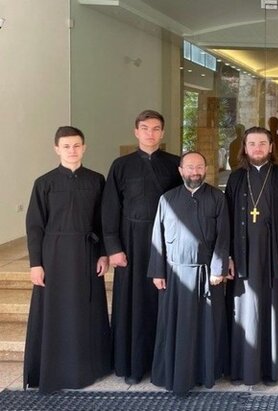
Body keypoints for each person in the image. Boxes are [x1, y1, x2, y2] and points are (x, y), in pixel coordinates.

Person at [24, 126, 112, 393]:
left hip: (87, 254)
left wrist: (104, 253)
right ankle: (53, 369)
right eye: (66, 146)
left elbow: (103, 220)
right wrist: (36, 263)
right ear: (56, 149)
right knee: (55, 311)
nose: (72, 151)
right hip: (54, 256)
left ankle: (89, 368)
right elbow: (35, 225)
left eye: (77, 146)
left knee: (87, 310)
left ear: (84, 147)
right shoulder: (44, 183)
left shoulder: (97, 180)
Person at [102, 110, 182, 384]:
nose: (151, 133)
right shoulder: (120, 166)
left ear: (163, 132)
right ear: (136, 131)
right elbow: (110, 208)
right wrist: (114, 247)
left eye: (156, 128)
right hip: (131, 241)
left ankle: (165, 363)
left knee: (165, 299)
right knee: (132, 303)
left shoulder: (176, 164)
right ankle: (133, 365)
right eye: (145, 128)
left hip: (168, 241)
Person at [148, 151, 229, 395]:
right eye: (190, 167)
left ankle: (205, 374)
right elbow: (157, 239)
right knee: (175, 327)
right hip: (175, 275)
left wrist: (218, 268)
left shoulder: (218, 198)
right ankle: (174, 374)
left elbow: (224, 236)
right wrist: (157, 271)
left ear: (206, 170)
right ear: (181, 170)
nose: (195, 171)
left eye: (199, 167)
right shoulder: (167, 199)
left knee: (206, 327)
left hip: (207, 275)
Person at [224, 127, 278, 384]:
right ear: (244, 147)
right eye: (252, 143)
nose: (257, 148)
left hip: (273, 253)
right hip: (242, 253)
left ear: (271, 147)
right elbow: (226, 221)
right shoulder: (235, 179)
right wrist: (228, 257)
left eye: (262, 143)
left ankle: (272, 369)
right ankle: (243, 368)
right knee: (243, 309)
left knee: (272, 308)